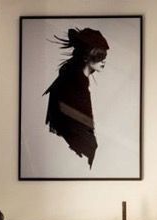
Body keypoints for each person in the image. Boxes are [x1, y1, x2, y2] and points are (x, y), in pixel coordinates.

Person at [44, 27, 109, 167]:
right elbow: (73, 121)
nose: (103, 61)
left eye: (104, 56)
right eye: (99, 56)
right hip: (73, 150)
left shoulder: (76, 79)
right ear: (86, 56)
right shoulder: (74, 82)